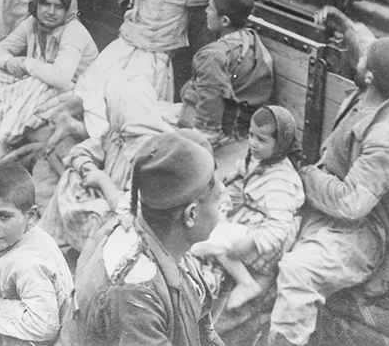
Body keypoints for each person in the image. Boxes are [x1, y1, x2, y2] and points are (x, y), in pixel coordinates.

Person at [267, 7, 389, 346]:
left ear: (369, 78)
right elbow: (365, 43)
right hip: (327, 204)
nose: (359, 57)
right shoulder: (384, 84)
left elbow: (351, 204)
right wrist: (342, 21)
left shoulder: (386, 140)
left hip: (363, 231)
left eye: (364, 60)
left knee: (297, 273)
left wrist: (306, 178)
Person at [65, 131, 225, 346]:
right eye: (218, 200)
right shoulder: (134, 291)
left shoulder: (160, 235)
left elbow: (203, 329)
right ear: (191, 215)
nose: (223, 199)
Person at [73, 0, 224, 139]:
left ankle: (80, 128)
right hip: (150, 60)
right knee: (138, 116)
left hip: (122, 50)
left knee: (101, 100)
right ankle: (94, 137)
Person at [42, 72, 173, 253]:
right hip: (109, 197)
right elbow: (79, 152)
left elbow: (134, 212)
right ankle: (53, 242)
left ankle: (94, 257)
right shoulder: (116, 132)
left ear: (121, 109)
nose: (106, 112)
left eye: (108, 107)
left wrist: (102, 180)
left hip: (130, 220)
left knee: (100, 212)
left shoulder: (155, 151)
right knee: (71, 176)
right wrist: (89, 169)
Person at [0, 0, 99, 162]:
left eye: (59, 7)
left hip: (79, 94)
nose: (51, 12)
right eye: (46, 4)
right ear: (36, 4)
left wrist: (27, 64)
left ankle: (5, 144)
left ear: (68, 10)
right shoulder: (32, 23)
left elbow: (60, 77)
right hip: (48, 86)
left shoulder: (73, 32)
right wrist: (9, 61)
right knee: (2, 73)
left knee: (37, 82)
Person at [190, 105, 304, 311]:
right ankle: (224, 260)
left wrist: (250, 243)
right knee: (214, 218)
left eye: (261, 140)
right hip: (251, 222)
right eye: (251, 135)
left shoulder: (281, 183)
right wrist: (237, 173)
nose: (252, 143)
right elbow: (248, 168)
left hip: (265, 243)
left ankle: (247, 283)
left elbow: (279, 229)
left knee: (205, 241)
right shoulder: (264, 159)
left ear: (280, 144)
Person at [0, 157, 75, 342]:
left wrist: (1, 305)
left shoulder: (29, 263)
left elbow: (45, 326)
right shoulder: (13, 235)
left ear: (30, 215)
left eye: (3, 216)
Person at [178, 0, 275, 145]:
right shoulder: (250, 38)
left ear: (224, 20)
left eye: (210, 8)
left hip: (224, 134)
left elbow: (208, 124)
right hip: (245, 126)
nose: (206, 11)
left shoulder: (213, 55)